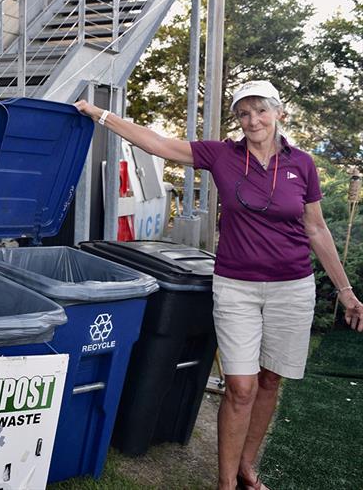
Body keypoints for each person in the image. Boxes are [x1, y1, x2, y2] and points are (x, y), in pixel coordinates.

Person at [75, 80, 363, 490]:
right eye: (244, 113)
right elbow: (158, 144)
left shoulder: (303, 164)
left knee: (269, 380)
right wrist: (100, 115)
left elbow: (316, 229)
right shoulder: (222, 156)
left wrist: (346, 292)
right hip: (236, 287)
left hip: (292, 287)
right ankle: (225, 483)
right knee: (240, 386)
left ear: (278, 113)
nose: (253, 120)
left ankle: (247, 468)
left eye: (260, 111)